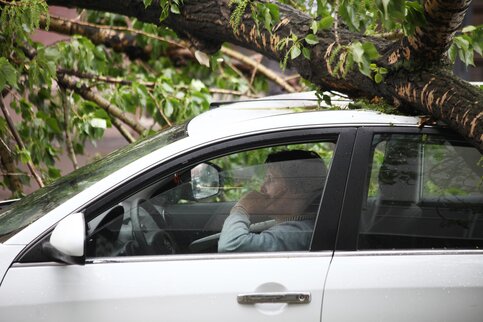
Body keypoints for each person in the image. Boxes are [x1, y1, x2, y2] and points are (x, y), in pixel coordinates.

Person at [218, 150, 327, 252]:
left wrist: (241, 209)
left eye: (270, 179)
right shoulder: (302, 224)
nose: (262, 188)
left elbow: (230, 245)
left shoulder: (297, 233)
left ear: (297, 188)